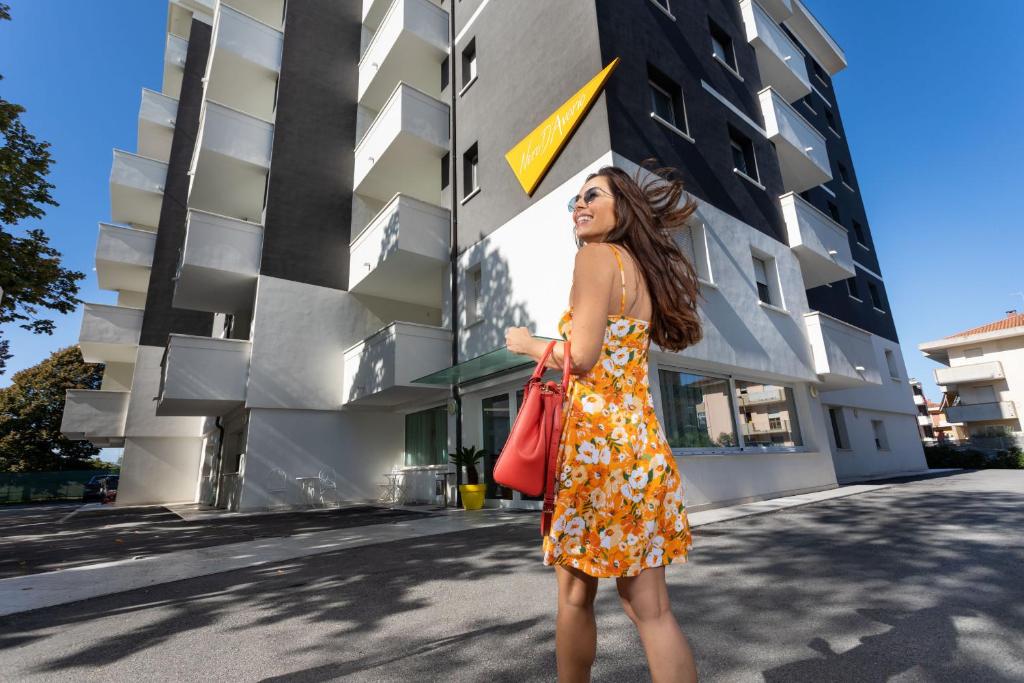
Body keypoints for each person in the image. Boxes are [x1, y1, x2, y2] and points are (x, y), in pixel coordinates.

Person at [505, 164, 703, 683]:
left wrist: (528, 344)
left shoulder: (596, 258)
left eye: (593, 195)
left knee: (574, 596)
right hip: (642, 450)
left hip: (597, 453)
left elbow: (584, 355)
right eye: (576, 199)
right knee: (651, 610)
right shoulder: (636, 269)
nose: (580, 205)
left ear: (622, 209)